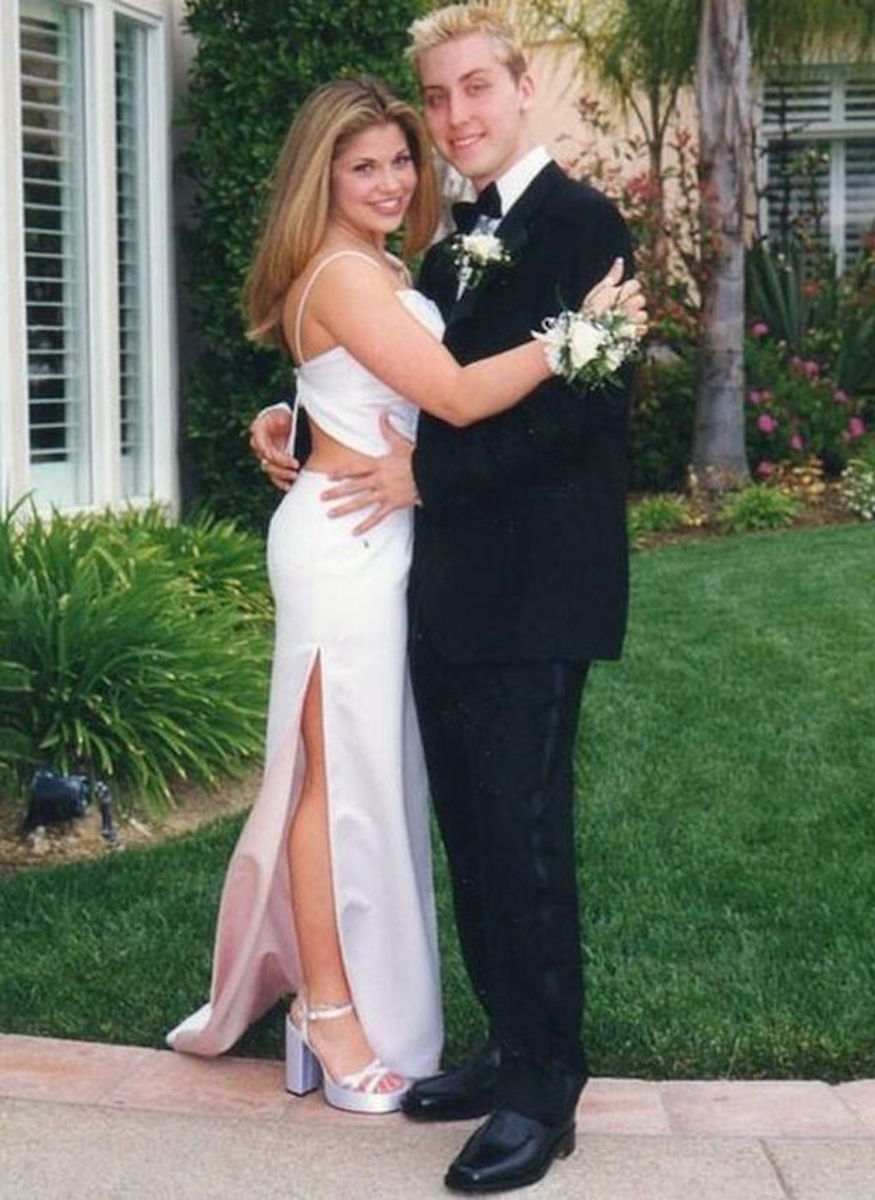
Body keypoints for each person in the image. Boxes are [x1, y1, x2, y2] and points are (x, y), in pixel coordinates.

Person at [170, 74, 640, 1122]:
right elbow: (456, 394)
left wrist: (291, 412)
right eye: (362, 167)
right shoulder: (348, 271)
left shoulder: (393, 262)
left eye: (397, 160)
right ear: (322, 177)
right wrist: (580, 333)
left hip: (395, 544)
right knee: (326, 782)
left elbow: (361, 379)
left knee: (372, 782)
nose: (389, 181)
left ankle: (370, 1008)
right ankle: (327, 1011)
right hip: (345, 544)